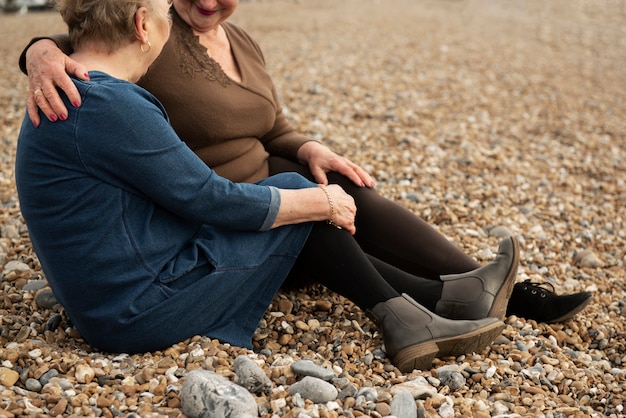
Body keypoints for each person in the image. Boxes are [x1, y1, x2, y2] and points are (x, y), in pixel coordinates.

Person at [15, 0, 520, 374]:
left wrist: (307, 166)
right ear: (143, 25)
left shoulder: (73, 94)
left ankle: (436, 301)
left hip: (120, 291)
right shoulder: (112, 105)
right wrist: (315, 201)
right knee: (296, 202)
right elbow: (206, 197)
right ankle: (426, 312)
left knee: (292, 193)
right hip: (137, 310)